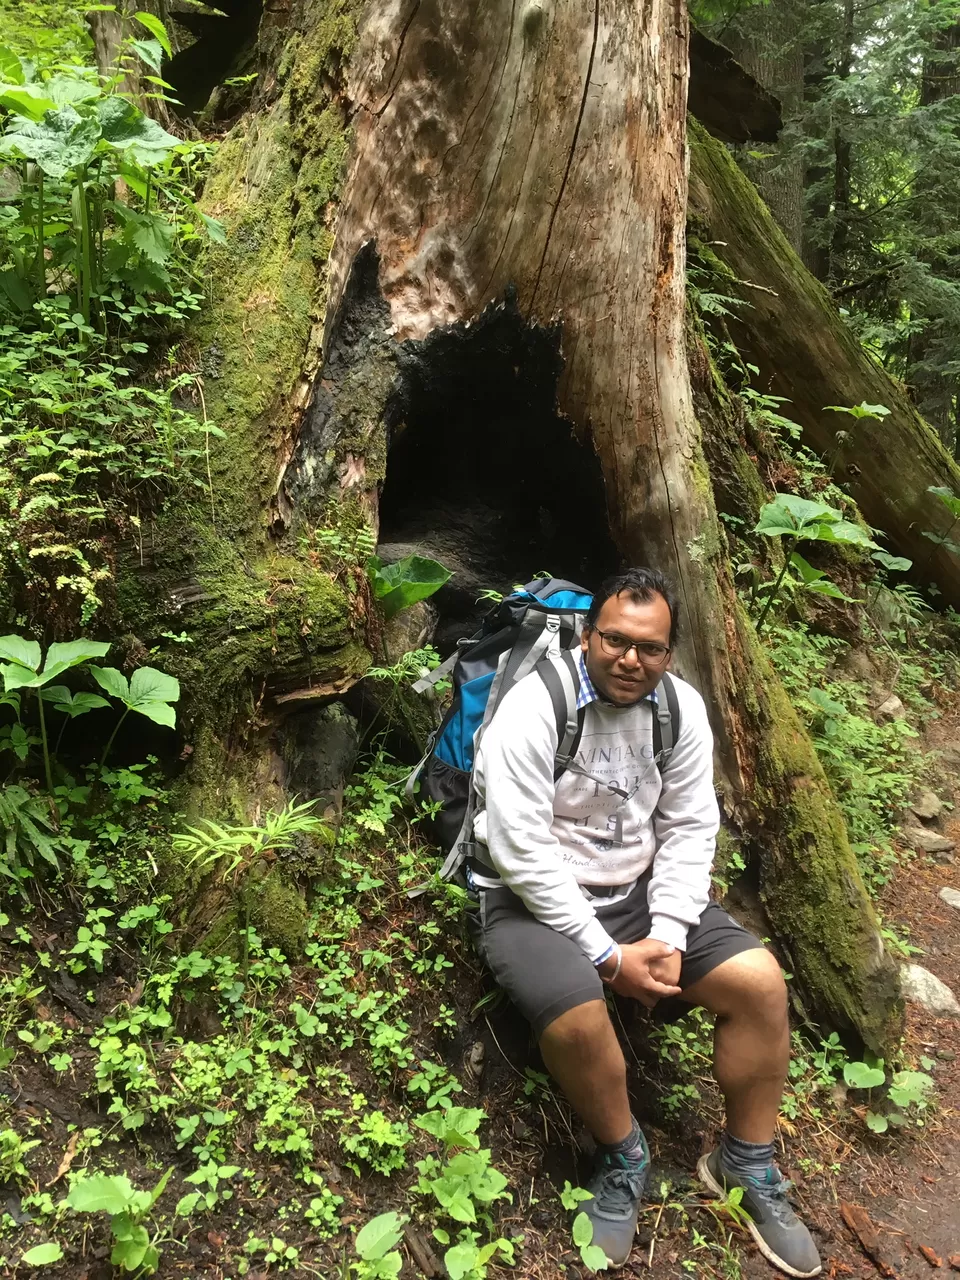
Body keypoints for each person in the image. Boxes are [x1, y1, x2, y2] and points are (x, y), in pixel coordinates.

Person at [468, 568, 821, 1278]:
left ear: (670, 653)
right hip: (528, 898)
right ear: (587, 635)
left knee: (758, 983)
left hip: (637, 889)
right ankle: (623, 1155)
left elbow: (692, 826)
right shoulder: (537, 705)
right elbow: (518, 846)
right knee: (575, 1013)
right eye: (615, 640)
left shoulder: (681, 710)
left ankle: (745, 1165)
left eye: (650, 648)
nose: (630, 660)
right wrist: (608, 958)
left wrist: (666, 935)